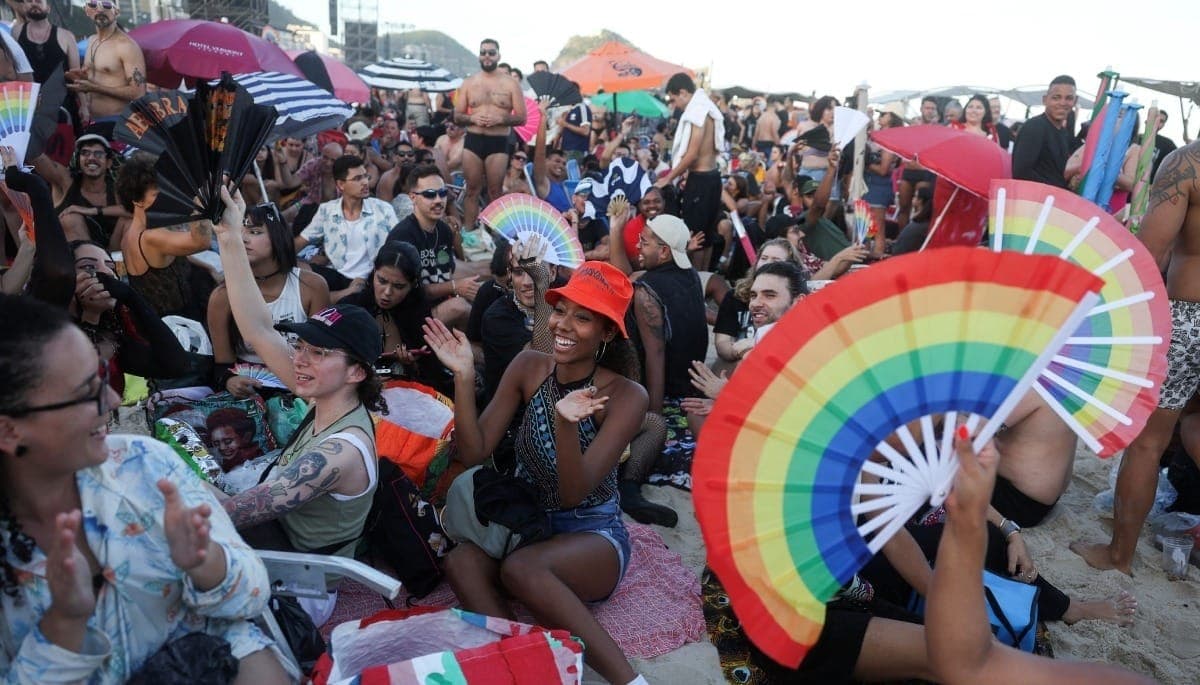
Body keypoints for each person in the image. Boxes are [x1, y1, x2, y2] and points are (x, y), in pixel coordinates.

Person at [0, 293, 292, 683]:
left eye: (102, 377)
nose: (113, 400)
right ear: (9, 430)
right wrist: (63, 628)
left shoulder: (142, 464)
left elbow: (251, 598)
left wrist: (206, 562)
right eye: (85, 392)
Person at [423, 261, 650, 685]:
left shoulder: (626, 395)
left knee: (521, 569)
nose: (563, 324)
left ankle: (631, 681)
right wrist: (464, 376)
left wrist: (565, 424)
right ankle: (527, 665)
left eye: (582, 318)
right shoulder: (529, 365)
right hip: (526, 524)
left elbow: (573, 494)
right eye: (560, 311)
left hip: (591, 533)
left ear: (606, 333)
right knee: (460, 562)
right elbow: (474, 452)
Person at [214, 186, 384, 626]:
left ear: (356, 372)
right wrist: (229, 235)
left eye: (319, 352)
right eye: (302, 346)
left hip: (299, 590)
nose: (301, 359)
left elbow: (242, 510)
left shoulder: (341, 451)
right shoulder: (325, 393)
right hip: (277, 547)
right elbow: (258, 328)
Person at [928, 431, 1154, 685]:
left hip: (1015, 501)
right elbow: (900, 543)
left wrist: (1010, 531)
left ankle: (1051, 605)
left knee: (991, 538)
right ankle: (1064, 608)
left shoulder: (923, 445)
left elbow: (957, 488)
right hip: (901, 565)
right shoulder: (903, 456)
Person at [1072, 141, 1200, 575]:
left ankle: (1119, 556)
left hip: (1189, 319)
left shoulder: (1186, 163)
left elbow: (1150, 253)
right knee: (1194, 423)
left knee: (1149, 442)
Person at [208, 202, 330, 397]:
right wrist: (230, 380)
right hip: (251, 393)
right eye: (239, 231)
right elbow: (222, 366)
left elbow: (321, 354)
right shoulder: (222, 296)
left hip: (302, 387)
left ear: (277, 236)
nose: (243, 238)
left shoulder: (312, 286)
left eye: (254, 232)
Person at [341, 241, 453, 396]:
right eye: (382, 281)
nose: (387, 292)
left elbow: (432, 374)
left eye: (398, 286)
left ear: (413, 285)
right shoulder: (349, 309)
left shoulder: (418, 315)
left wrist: (411, 366)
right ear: (374, 272)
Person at [116, 153, 212, 321]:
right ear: (137, 200)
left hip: (160, 322)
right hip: (179, 324)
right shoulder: (151, 236)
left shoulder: (130, 233)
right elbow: (202, 241)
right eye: (158, 195)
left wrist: (208, 267)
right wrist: (199, 197)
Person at [386, 164, 479, 329]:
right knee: (460, 307)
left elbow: (447, 272)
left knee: (486, 296)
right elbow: (405, 291)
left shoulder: (444, 230)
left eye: (442, 193)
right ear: (413, 197)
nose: (438, 200)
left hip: (438, 305)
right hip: (408, 314)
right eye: (430, 194)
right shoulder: (403, 236)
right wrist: (455, 286)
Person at [296, 155, 398, 301]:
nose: (365, 182)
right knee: (293, 268)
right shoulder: (327, 211)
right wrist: (278, 258)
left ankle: (341, 296)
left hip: (371, 278)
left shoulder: (383, 209)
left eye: (365, 176)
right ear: (341, 184)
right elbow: (301, 241)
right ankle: (341, 295)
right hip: (337, 275)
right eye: (357, 179)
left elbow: (397, 246)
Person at [454, 39, 526, 231]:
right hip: (474, 139)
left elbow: (522, 118)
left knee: (495, 191)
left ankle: (495, 234)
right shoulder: (469, 83)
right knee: (471, 190)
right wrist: (472, 118)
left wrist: (500, 119)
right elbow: (457, 116)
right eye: (483, 52)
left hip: (498, 141)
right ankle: (469, 234)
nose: (487, 56)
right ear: (479, 55)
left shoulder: (510, 84)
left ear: (498, 56)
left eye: (491, 53)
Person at [658, 73, 725, 271]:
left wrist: (668, 178)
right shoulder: (707, 107)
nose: (675, 105)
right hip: (712, 177)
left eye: (674, 99)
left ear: (683, 92)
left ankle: (696, 282)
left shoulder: (697, 110)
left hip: (701, 181)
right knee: (707, 237)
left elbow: (692, 153)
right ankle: (703, 280)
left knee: (695, 237)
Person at [32, 134, 129, 249]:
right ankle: (90, 259)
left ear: (108, 163)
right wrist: (23, 135)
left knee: (129, 220)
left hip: (114, 251)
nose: (91, 158)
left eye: (98, 154)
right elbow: (37, 157)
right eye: (85, 153)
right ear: (78, 160)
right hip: (74, 255)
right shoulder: (66, 181)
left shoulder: (117, 188)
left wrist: (92, 211)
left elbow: (138, 211)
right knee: (71, 219)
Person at [68, 0, 146, 137]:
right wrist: (82, 78)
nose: (99, 10)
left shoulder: (126, 45)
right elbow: (98, 79)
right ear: (87, 11)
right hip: (92, 121)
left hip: (118, 122)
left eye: (106, 5)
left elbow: (138, 92)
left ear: (116, 11)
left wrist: (94, 87)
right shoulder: (92, 40)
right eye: (93, 5)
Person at [15, 0, 84, 128]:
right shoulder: (16, 32)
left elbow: (76, 76)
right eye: (29, 1)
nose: (34, 4)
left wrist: (84, 105)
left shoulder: (66, 36)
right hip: (28, 107)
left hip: (63, 106)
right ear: (24, 6)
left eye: (38, 1)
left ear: (48, 8)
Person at [1012, 75, 1077, 188]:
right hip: (1034, 196)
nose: (1062, 103)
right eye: (1056, 97)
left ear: (1075, 101)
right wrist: (1057, 189)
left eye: (1068, 98)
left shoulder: (1063, 132)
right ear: (1045, 100)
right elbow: (1021, 172)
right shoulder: (1034, 127)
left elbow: (1054, 172)